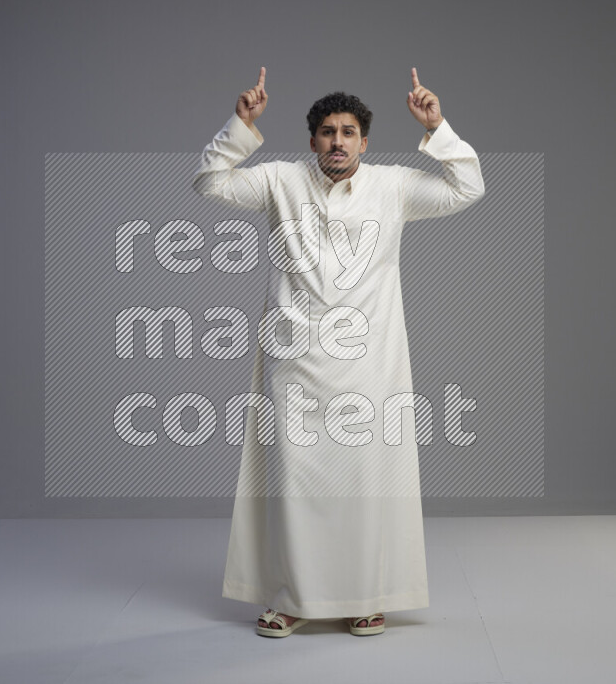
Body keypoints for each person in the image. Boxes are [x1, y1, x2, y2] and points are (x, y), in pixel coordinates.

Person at [192, 67, 485, 637]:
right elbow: (208, 182)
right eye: (327, 131)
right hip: (293, 364)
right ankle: (292, 598)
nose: (337, 141)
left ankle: (365, 596)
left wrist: (438, 127)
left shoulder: (394, 186)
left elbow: (467, 189)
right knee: (294, 488)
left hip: (369, 366)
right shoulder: (278, 180)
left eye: (349, 131)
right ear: (312, 141)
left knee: (363, 484)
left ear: (364, 141)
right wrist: (240, 126)